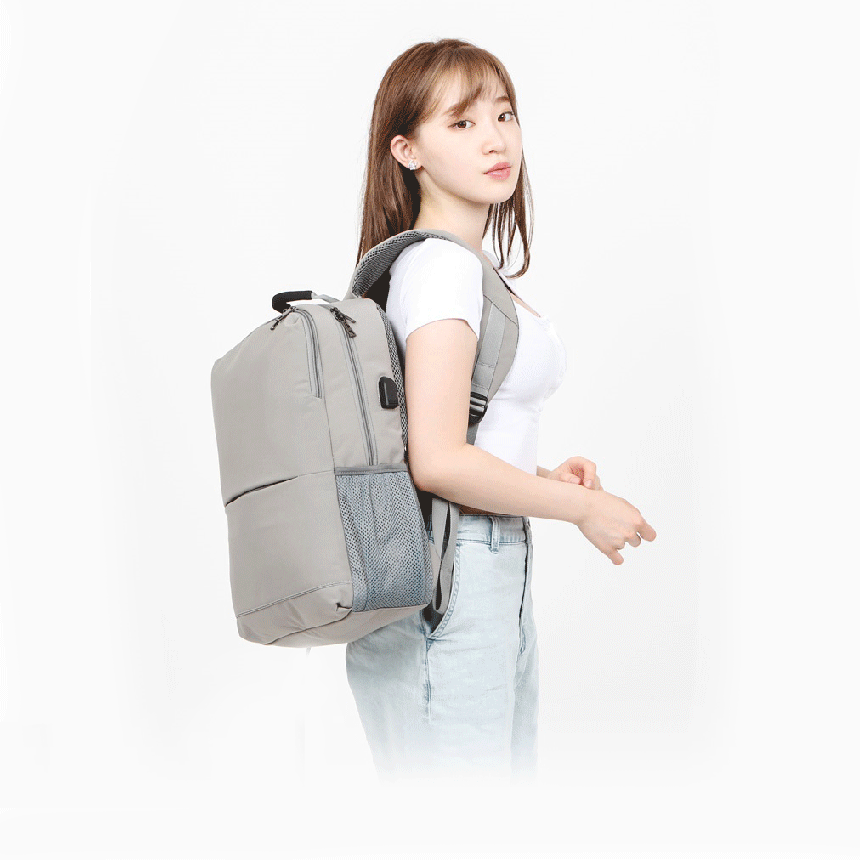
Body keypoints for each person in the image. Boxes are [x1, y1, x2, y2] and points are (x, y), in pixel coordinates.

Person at [345, 38, 657, 786]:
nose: (495, 139)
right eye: (461, 123)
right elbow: (438, 461)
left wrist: (542, 477)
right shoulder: (442, 269)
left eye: (504, 115)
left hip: (483, 573)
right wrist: (582, 509)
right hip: (454, 581)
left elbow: (444, 435)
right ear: (407, 151)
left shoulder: (463, 268)